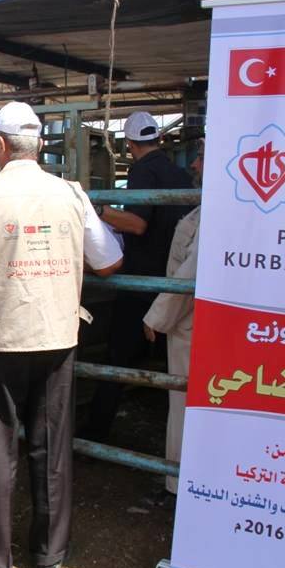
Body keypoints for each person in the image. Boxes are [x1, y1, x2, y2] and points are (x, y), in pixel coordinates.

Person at [0, 101, 123, 568]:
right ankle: (47, 556)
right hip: (57, 334)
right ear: (39, 145)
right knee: (51, 446)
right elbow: (108, 261)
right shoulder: (71, 194)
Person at [80, 111, 193, 443]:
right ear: (159, 138)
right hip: (174, 277)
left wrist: (96, 208)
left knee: (117, 358)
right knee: (174, 363)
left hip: (141, 280)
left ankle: (95, 434)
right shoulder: (179, 173)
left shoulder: (142, 170)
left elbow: (138, 223)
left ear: (129, 145)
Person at [143, 140, 203, 497]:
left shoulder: (215, 214)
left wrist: (156, 316)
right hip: (187, 319)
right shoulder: (204, 207)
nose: (193, 165)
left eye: (201, 159)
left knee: (185, 401)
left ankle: (182, 486)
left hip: (190, 322)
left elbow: (189, 274)